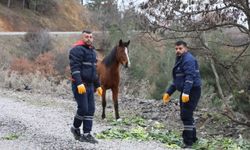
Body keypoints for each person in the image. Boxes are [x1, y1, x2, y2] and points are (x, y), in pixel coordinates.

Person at [162, 40, 201, 148]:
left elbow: (190, 77)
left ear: (186, 49)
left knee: (186, 115)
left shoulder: (188, 60)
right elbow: (177, 80)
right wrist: (168, 93)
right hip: (186, 91)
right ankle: (193, 139)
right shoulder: (179, 59)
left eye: (180, 48)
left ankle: (188, 143)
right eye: (176, 49)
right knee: (187, 115)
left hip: (192, 90)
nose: (178, 50)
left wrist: (186, 93)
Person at [69, 30, 103, 144]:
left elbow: (94, 72)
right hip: (80, 85)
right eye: (86, 37)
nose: (89, 38)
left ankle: (86, 134)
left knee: (91, 109)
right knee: (83, 108)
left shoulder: (93, 52)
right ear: (82, 38)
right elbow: (75, 68)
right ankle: (75, 128)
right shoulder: (76, 50)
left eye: (91, 37)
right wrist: (78, 83)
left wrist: (98, 86)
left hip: (90, 86)